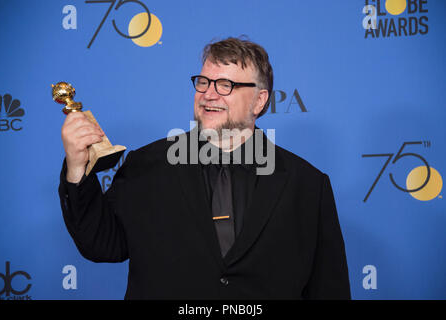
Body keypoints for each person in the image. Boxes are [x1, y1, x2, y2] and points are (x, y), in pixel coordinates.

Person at [58, 37, 351, 299]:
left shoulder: (308, 185)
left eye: (226, 85)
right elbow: (102, 245)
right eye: (203, 82)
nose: (209, 94)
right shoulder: (146, 165)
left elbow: (329, 288)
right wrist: (76, 169)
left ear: (259, 101)